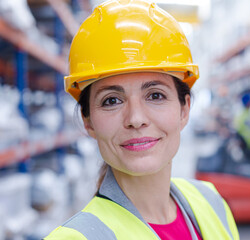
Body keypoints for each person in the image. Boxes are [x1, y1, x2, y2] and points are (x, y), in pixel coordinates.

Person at [45, 0, 239, 239]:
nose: (135, 119)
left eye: (155, 95)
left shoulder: (210, 202)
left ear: (184, 109)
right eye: (112, 101)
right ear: (88, 121)